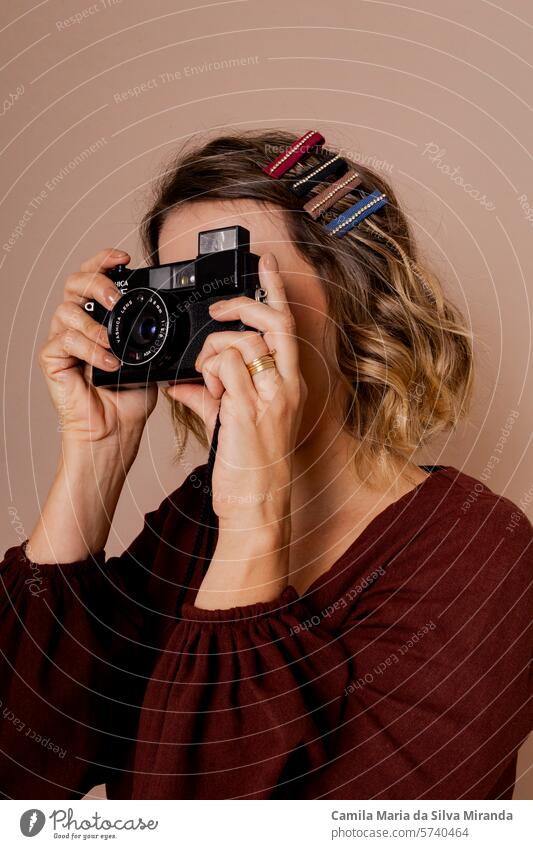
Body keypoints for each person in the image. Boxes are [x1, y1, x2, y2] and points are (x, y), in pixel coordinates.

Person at [1, 130, 531, 800]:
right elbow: (22, 764)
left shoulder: (476, 552)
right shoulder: (195, 516)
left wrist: (252, 520)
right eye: (183, 294)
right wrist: (93, 454)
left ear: (355, 301)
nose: (208, 329)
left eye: (236, 288)